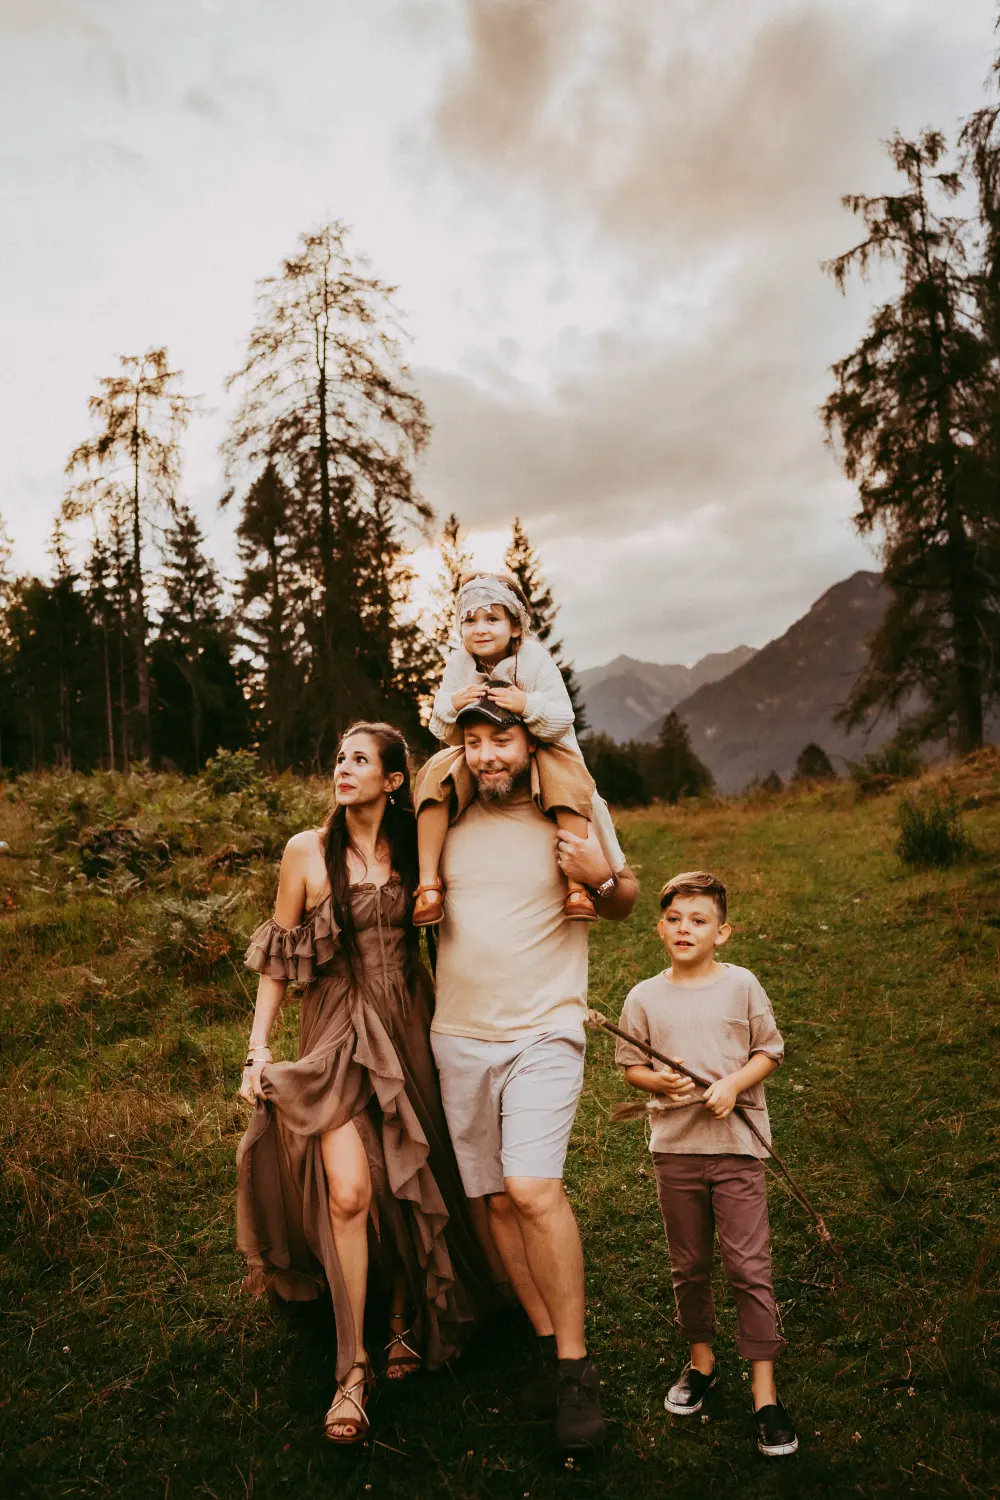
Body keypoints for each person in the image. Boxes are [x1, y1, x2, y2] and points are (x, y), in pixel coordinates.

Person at [235, 722, 498, 1445]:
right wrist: (258, 1048)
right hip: (337, 1028)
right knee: (349, 1188)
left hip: (411, 1021)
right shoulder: (306, 852)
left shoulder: (417, 844)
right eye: (338, 757)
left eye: (360, 760)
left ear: (391, 780)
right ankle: (352, 1368)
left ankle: (404, 1313)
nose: (343, 769)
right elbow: (279, 961)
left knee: (408, 1172)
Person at [427, 688, 640, 1453]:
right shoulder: (442, 813)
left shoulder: (570, 800)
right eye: (474, 741)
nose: (488, 755)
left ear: (529, 741)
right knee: (492, 1202)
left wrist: (602, 875)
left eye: (502, 740)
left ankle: (578, 1372)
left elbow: (623, 900)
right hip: (456, 1034)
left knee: (532, 1188)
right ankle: (550, 1346)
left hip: (545, 1026)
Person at [614, 870, 798, 1459]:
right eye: (675, 919)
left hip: (737, 1152)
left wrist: (734, 1085)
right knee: (689, 1265)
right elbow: (630, 1066)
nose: (685, 929)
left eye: (699, 920)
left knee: (749, 1268)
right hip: (675, 1151)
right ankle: (701, 1361)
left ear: (723, 932)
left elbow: (770, 1049)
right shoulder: (643, 997)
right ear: (658, 928)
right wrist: (656, 1080)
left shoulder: (741, 986)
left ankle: (765, 1394)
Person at [412, 571, 604, 926]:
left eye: (492, 619)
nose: (480, 628)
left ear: (515, 626)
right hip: (480, 747)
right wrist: (453, 703)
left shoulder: (533, 659)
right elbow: (440, 726)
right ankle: (427, 885)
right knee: (434, 775)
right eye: (469, 620)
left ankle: (577, 886)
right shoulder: (459, 664)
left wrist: (526, 704)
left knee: (568, 778)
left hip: (542, 746)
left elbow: (563, 716)